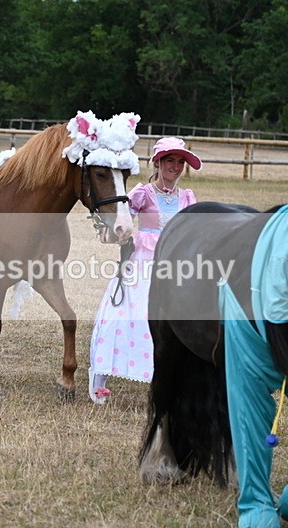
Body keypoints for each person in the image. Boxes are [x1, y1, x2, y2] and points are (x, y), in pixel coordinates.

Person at [88, 137, 201, 404]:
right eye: (170, 161)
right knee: (128, 316)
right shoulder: (143, 193)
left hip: (175, 265)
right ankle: (100, 376)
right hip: (143, 264)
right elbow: (121, 218)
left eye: (180, 162)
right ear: (158, 163)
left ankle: (167, 378)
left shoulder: (187, 197)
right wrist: (112, 232)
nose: (175, 166)